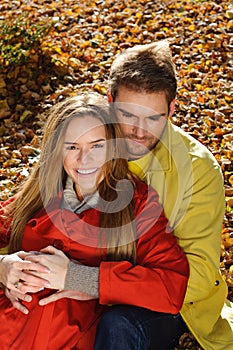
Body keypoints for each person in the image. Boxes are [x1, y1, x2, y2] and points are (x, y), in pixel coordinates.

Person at [0, 93, 189, 349]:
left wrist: (80, 278)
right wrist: (3, 267)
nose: (84, 159)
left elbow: (171, 287)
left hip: (73, 336)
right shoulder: (38, 195)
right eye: (72, 147)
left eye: (97, 146)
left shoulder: (137, 205)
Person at [103, 40, 233, 349]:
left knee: (118, 325)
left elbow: (198, 277)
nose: (139, 130)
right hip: (78, 281)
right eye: (128, 115)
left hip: (163, 305)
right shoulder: (81, 143)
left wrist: (96, 284)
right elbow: (24, 218)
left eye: (153, 118)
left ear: (171, 109)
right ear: (110, 102)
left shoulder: (198, 168)